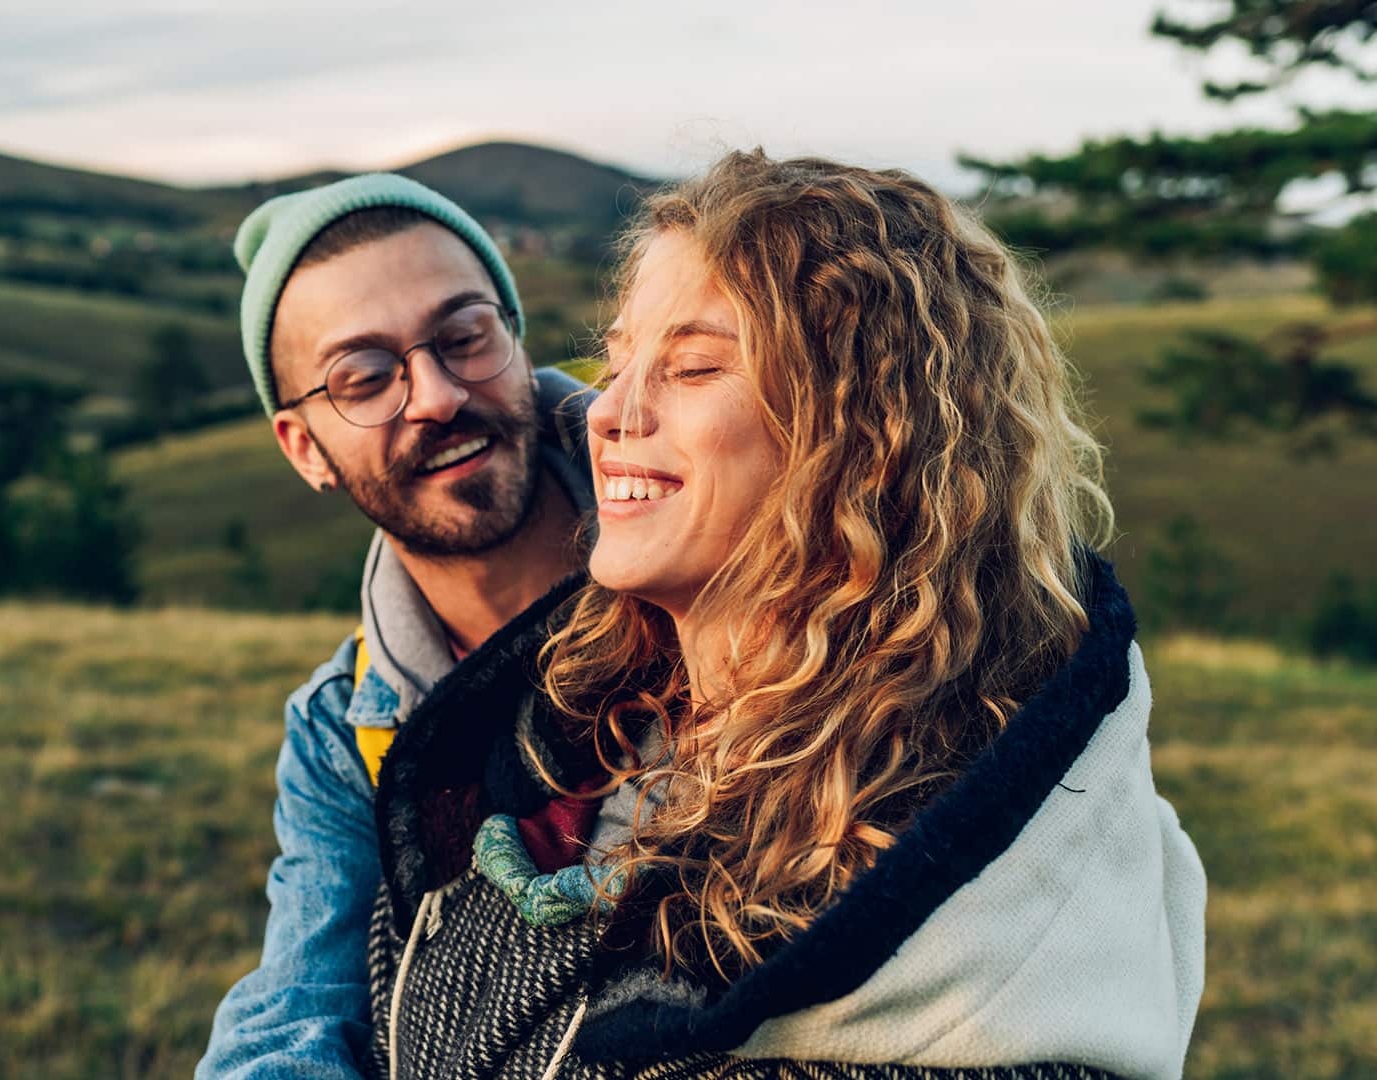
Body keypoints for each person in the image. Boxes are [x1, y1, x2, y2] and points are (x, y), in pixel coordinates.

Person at [364, 150, 1207, 1079]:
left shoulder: (949, 844)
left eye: (689, 366)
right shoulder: (561, 733)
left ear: (861, 436)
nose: (609, 410)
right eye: (616, 359)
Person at [197, 173, 598, 1078]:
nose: (436, 396)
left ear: (515, 337)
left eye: (463, 337)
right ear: (305, 449)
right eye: (365, 377)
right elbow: (294, 1012)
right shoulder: (346, 730)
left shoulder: (729, 573)